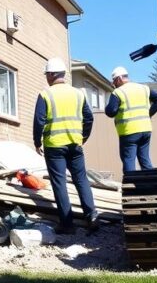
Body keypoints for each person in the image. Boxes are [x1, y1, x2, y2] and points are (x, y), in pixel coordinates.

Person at [33, 57, 100, 233]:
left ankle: (67, 224)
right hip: (75, 145)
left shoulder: (46, 94)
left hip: (54, 146)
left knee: (59, 183)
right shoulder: (78, 94)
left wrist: (36, 141)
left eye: (47, 74)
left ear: (53, 74)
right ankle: (91, 215)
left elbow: (39, 120)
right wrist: (83, 136)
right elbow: (89, 117)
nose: (46, 77)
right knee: (81, 179)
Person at [104, 66, 157, 173]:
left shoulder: (118, 92)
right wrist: (148, 114)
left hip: (129, 132)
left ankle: (131, 186)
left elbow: (111, 112)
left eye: (114, 81)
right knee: (145, 160)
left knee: (129, 160)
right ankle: (151, 186)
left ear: (118, 79)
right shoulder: (143, 88)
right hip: (146, 129)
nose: (114, 84)